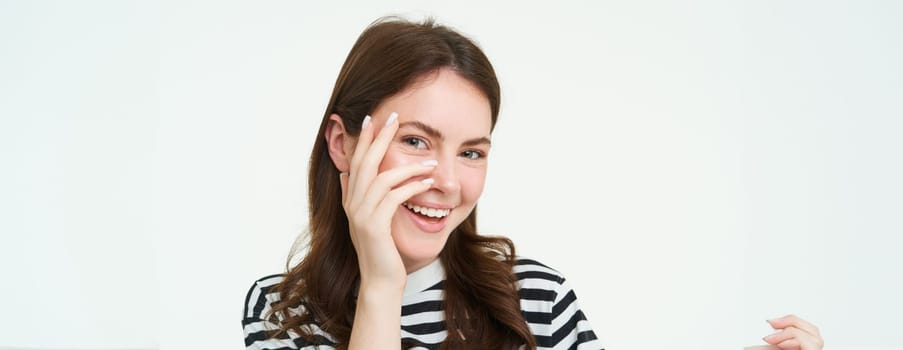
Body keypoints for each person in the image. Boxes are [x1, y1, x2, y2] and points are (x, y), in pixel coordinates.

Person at [242, 17, 825, 350]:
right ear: (343, 143)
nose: (448, 181)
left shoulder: (531, 297)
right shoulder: (280, 311)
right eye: (417, 141)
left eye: (471, 151)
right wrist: (381, 288)